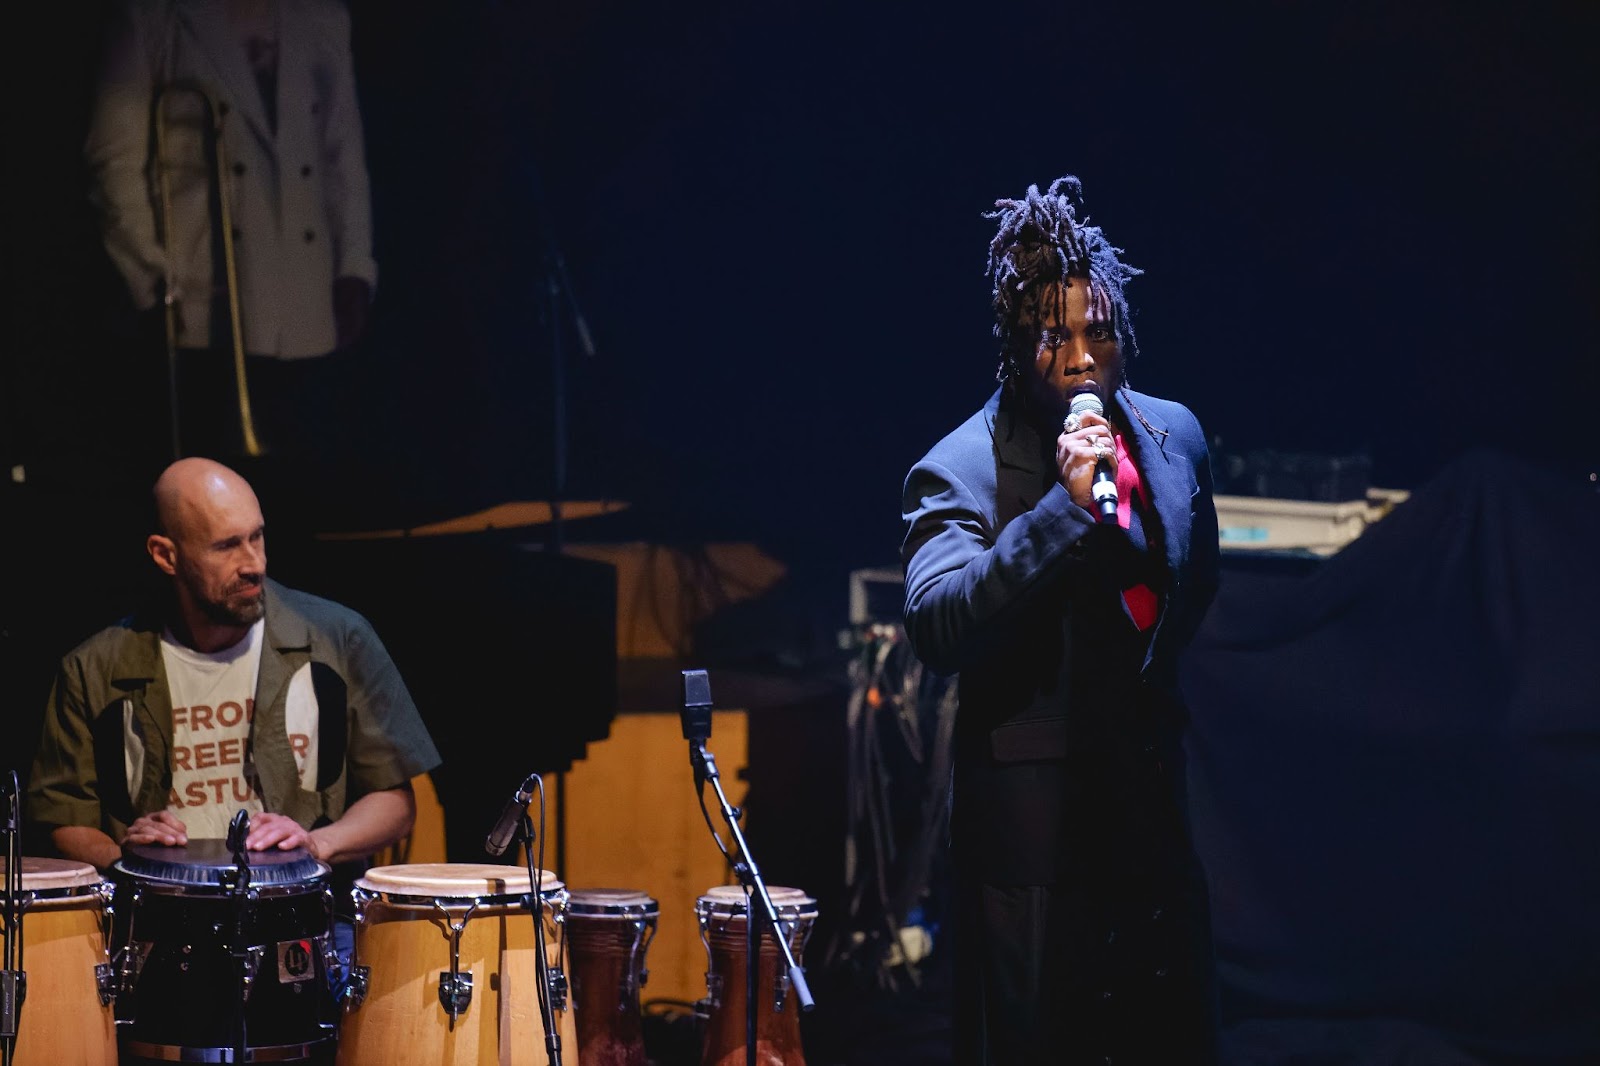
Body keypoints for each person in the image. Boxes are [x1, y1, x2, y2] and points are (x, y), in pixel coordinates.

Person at [899, 175, 1221, 1064]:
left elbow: (1197, 584)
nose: (1082, 360)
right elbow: (937, 624)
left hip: (1149, 823)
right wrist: (1061, 515)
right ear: (1015, 346)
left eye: (1098, 333)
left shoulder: (1174, 437)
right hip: (1032, 851)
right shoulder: (960, 467)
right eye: (1054, 338)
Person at [26, 457, 438, 943]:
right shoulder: (94, 667)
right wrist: (127, 855)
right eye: (226, 546)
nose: (254, 563)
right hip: (157, 928)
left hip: (304, 922)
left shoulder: (338, 638)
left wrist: (315, 843)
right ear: (166, 555)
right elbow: (63, 820)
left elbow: (394, 800)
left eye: (257, 537)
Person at [84, 0, 376, 472]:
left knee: (311, 478)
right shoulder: (152, 17)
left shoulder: (321, 17)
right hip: (203, 305)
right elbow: (115, 162)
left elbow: (342, 154)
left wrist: (354, 265)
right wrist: (153, 282)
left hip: (307, 302)